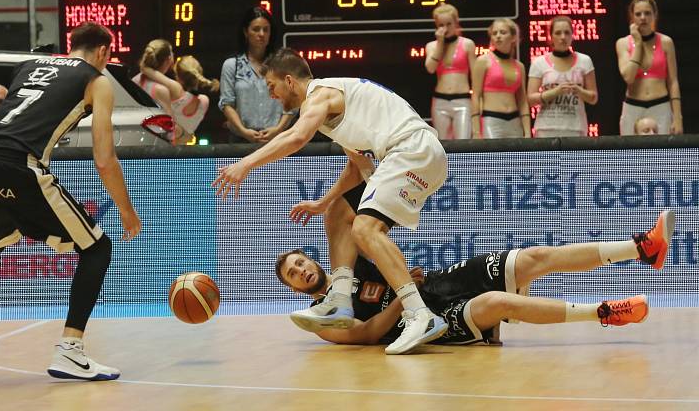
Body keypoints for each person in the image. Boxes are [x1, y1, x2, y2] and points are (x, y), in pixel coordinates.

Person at [0, 22, 142, 381]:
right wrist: (127, 211)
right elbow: (104, 158)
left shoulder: (30, 66)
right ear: (103, 53)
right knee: (97, 247)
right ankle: (70, 351)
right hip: (18, 166)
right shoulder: (97, 81)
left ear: (72, 45)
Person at [213, 47, 450, 355]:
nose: (271, 95)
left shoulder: (320, 93)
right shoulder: (338, 107)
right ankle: (339, 299)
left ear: (289, 80)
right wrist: (323, 202)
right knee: (339, 212)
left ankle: (419, 314)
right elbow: (356, 168)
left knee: (365, 229)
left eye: (271, 86)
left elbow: (297, 138)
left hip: (411, 150)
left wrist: (246, 163)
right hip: (416, 154)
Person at [279, 180, 674, 347]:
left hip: (434, 284)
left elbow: (341, 212)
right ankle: (605, 312)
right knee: (498, 304)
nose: (301, 271)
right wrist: (402, 297)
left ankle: (642, 248)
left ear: (311, 256)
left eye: (299, 262)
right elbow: (363, 336)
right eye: (293, 275)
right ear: (294, 289)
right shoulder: (317, 314)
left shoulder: (346, 263)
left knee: (534, 257)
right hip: (420, 323)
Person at [218, 6, 295, 143]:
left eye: (266, 30)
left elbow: (293, 102)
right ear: (246, 32)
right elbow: (226, 104)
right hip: (240, 141)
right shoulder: (232, 66)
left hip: (277, 139)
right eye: (256, 29)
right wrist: (244, 131)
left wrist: (277, 130)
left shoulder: (283, 64)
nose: (261, 34)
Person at [616, 0, 682, 135]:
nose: (643, 17)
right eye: (638, 14)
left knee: (663, 154)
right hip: (633, 105)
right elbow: (629, 77)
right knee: (629, 153)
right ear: (632, 17)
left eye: (647, 13)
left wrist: (677, 117)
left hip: (660, 105)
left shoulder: (666, 42)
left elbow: (673, 81)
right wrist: (638, 44)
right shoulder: (623, 43)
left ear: (655, 15)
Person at [132, 38, 217, 144]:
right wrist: (184, 135)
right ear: (169, 60)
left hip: (134, 141)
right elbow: (169, 129)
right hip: (156, 149)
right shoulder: (161, 90)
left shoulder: (133, 81)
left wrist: (145, 69)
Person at [527, 16, 598, 137]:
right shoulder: (539, 62)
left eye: (567, 33)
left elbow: (593, 98)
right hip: (546, 129)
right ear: (551, 37)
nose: (563, 37)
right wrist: (555, 92)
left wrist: (579, 91)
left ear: (572, 35)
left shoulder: (584, 60)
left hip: (576, 128)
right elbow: (530, 100)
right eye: (558, 33)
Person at [471, 18, 531, 139]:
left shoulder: (519, 66)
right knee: (494, 157)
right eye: (494, 33)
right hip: (491, 120)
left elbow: (523, 100)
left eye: (503, 32)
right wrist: (476, 131)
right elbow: (475, 95)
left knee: (517, 157)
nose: (498, 36)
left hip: (514, 120)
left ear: (513, 37)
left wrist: (528, 132)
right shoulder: (483, 61)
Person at [423, 4, 476, 139]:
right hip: (440, 100)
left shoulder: (467, 44)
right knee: (442, 144)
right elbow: (430, 68)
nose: (445, 28)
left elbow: (476, 76)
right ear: (436, 25)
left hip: (463, 99)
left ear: (456, 23)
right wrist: (440, 43)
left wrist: (477, 102)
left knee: (463, 141)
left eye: (449, 24)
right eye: (441, 25)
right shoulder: (432, 46)